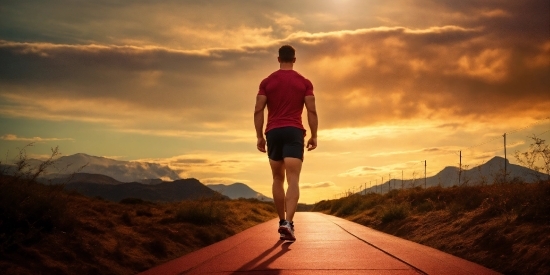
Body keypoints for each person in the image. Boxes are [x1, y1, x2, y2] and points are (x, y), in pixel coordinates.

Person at [254, 45, 318, 241]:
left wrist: (259, 136)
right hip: (294, 132)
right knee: (293, 178)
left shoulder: (267, 82)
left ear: (278, 58)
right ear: (295, 59)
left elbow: (258, 109)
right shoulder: (304, 82)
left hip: (273, 132)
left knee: (277, 179)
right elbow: (311, 110)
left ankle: (281, 221)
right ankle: (289, 223)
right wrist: (314, 135)